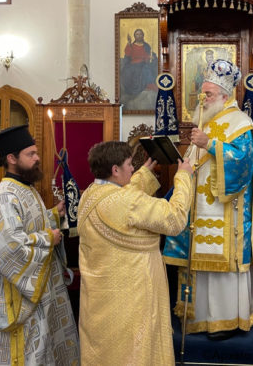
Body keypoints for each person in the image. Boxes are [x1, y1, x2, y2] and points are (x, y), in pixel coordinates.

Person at [163, 59, 253, 340]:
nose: (203, 99)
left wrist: (209, 144)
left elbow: (243, 162)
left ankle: (225, 321)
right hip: (199, 209)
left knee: (221, 269)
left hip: (226, 214)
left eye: (208, 94)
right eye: (202, 94)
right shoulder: (208, 121)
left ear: (224, 95)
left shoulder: (241, 123)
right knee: (199, 266)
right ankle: (200, 318)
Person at [77, 141, 193, 365]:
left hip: (100, 301)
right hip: (131, 300)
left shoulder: (89, 194)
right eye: (130, 164)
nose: (133, 169)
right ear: (115, 169)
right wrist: (183, 177)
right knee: (133, 353)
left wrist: (143, 175)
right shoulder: (128, 202)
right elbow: (175, 219)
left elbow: (122, 197)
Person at [0, 125, 79, 366]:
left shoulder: (25, 188)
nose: (37, 158)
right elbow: (9, 247)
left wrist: (54, 214)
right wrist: (48, 239)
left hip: (38, 295)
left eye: (36, 152)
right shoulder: (5, 197)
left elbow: (28, 225)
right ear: (11, 158)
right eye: (31, 154)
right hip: (18, 298)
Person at [121, 28, 158, 110]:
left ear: (143, 35)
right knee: (137, 70)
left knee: (147, 68)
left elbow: (150, 55)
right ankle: (138, 88)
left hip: (143, 63)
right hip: (133, 64)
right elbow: (127, 54)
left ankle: (149, 85)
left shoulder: (146, 46)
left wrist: (152, 57)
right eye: (137, 34)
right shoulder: (131, 45)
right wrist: (129, 43)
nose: (139, 36)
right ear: (134, 36)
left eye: (140, 34)